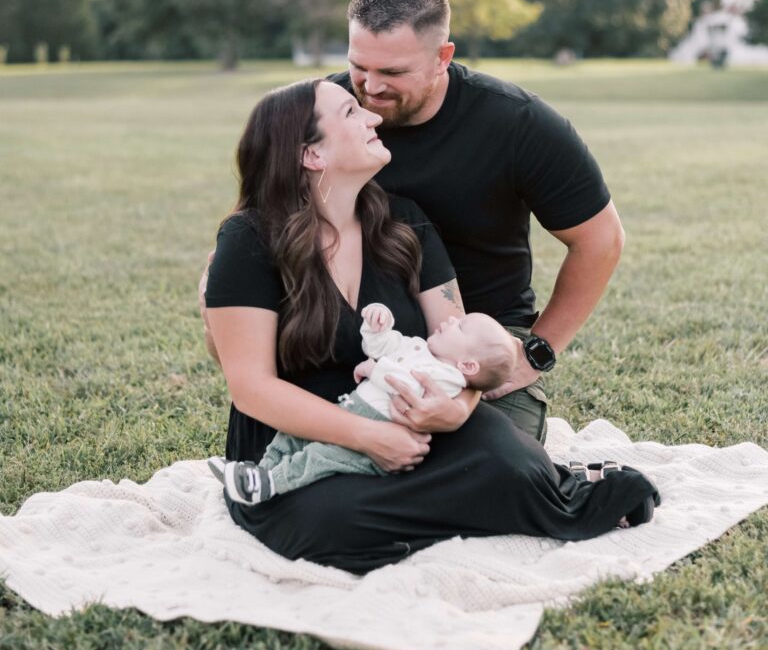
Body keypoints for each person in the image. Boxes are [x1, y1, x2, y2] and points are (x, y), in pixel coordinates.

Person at [203, 77, 658, 574]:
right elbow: (252, 388)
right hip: (297, 441)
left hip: (409, 412)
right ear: (311, 154)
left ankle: (516, 490)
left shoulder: (405, 223)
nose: (374, 117)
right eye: (353, 114)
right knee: (329, 520)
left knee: (507, 458)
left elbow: (459, 341)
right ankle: (484, 503)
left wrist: (455, 411)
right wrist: (367, 437)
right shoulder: (248, 240)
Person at [323, 0, 627, 446]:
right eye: (359, 65)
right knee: (331, 462)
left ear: (444, 57)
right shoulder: (324, 113)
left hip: (475, 340)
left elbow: (600, 239)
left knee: (492, 469)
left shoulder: (517, 123)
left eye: (394, 73)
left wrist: (537, 352)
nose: (371, 87)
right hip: (361, 331)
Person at [207, 302, 519, 505]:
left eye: (461, 327)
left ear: (468, 367)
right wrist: (378, 325)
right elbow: (383, 346)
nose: (452, 319)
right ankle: (257, 471)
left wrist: (376, 369)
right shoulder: (420, 347)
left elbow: (406, 383)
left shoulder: (448, 379)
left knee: (319, 455)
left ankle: (270, 483)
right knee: (292, 434)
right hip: (355, 412)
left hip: (378, 435)